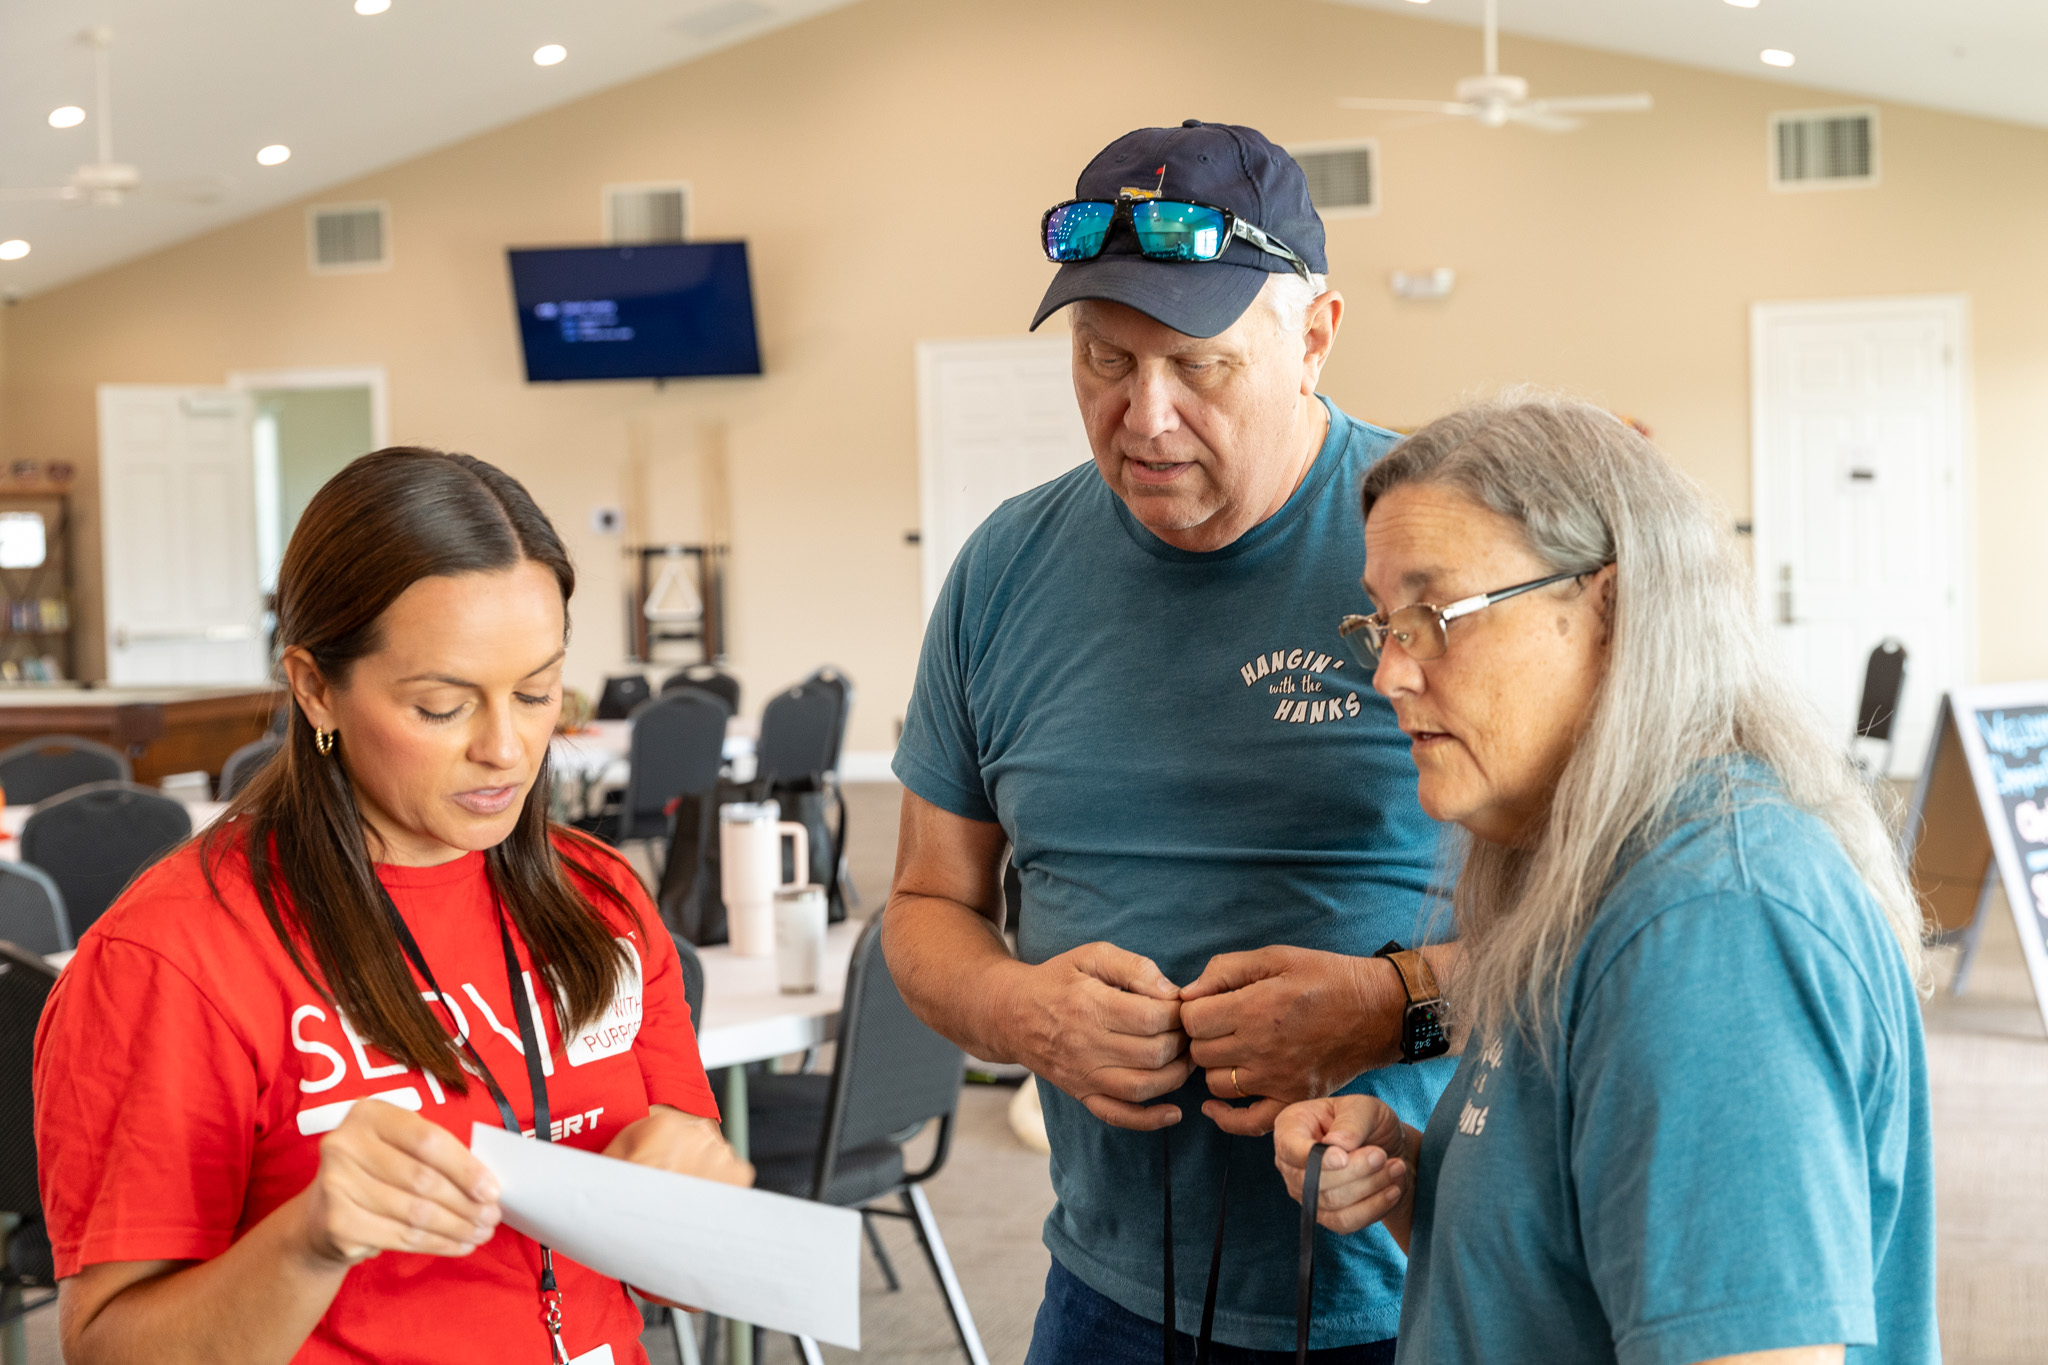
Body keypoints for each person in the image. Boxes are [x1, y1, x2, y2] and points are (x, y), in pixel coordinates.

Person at [883, 120, 1456, 1362]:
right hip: (1105, 1291)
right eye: (1104, 359)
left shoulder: (1444, 547)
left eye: (1199, 364)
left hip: (1420, 1288)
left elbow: (1609, 941)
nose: (1143, 416)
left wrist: (1386, 1009)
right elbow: (925, 907)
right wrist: (1021, 1012)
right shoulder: (1002, 571)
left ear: (1313, 338)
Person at [36, 449, 752, 1365]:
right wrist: (308, 1243)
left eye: (538, 692)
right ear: (315, 687)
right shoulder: (172, 957)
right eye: (443, 706)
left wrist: (694, 1195)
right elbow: (110, 1349)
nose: (507, 747)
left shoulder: (599, 895)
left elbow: (683, 1264)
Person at [1270, 396, 1936, 1364]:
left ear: (1611, 612)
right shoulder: (1590, 875)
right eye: (1382, 624)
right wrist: (1408, 1173)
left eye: (1431, 617)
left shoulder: (1710, 926)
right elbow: (1566, 1278)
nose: (1389, 676)